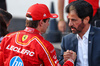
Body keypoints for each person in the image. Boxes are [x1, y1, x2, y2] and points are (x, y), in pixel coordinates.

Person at [0, 3, 76, 66]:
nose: (48, 24)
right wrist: (70, 61)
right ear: (41, 23)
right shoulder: (44, 46)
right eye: (48, 21)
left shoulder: (7, 38)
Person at [59, 1, 100, 66]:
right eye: (69, 20)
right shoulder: (66, 40)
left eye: (74, 20)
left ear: (86, 19)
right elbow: (60, 63)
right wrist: (65, 60)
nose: (70, 24)